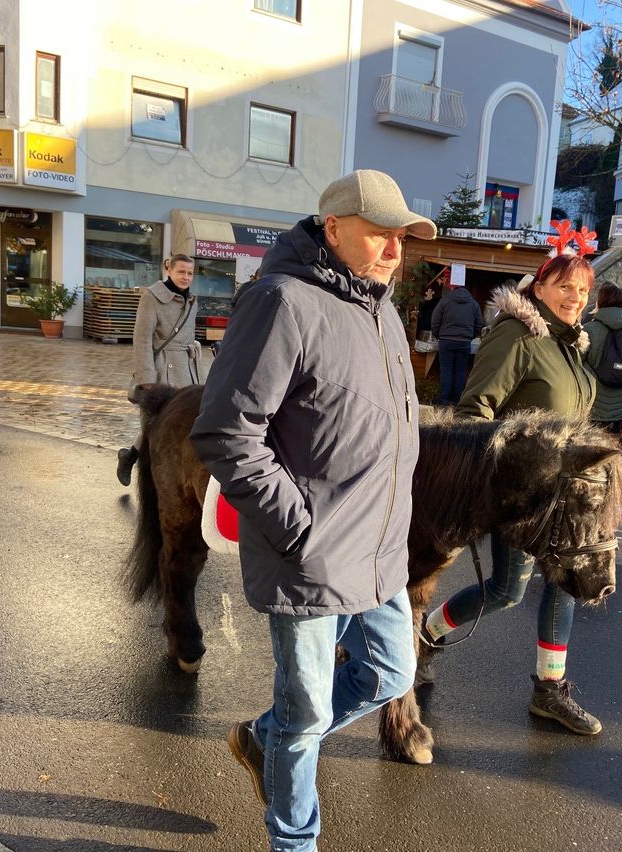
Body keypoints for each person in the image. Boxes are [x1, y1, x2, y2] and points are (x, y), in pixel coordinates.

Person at [189, 169, 436, 852]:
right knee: (306, 716)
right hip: (311, 555)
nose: (394, 250)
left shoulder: (382, 310)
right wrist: (298, 528)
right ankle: (294, 841)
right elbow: (226, 432)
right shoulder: (281, 301)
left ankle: (262, 739)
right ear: (333, 227)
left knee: (390, 673)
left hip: (380, 549)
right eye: (379, 233)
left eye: (402, 237)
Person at [421, 226, 603, 737]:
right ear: (539, 288)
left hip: (563, 497)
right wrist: (501, 477)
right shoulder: (519, 336)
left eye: (582, 289)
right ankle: (426, 635)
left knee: (564, 585)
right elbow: (473, 411)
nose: (575, 298)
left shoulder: (569, 345)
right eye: (564, 286)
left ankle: (549, 690)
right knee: (505, 591)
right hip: (520, 493)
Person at [116, 253, 201, 486]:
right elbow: (142, 338)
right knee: (156, 423)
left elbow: (189, 337)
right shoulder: (152, 297)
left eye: (190, 273)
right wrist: (147, 377)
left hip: (186, 368)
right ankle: (133, 460)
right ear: (169, 270)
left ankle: (147, 460)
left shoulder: (192, 300)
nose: (186, 277)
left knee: (183, 420)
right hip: (161, 367)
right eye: (181, 271)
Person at [583, 282, 622, 434]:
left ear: (600, 302)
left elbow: (576, 361)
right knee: (612, 443)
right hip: (620, 404)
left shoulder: (589, 329)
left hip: (595, 404)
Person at [431, 277, 483, 405]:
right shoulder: (474, 304)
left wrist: (438, 335)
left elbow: (435, 320)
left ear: (453, 288)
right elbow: (479, 324)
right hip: (464, 342)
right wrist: (470, 336)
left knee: (446, 370)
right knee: (461, 371)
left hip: (446, 341)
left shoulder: (445, 301)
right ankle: (457, 400)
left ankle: (444, 400)